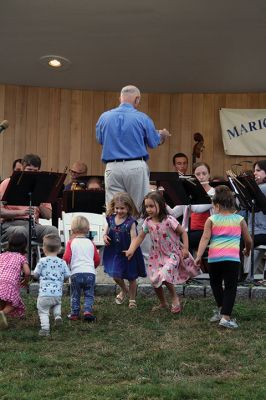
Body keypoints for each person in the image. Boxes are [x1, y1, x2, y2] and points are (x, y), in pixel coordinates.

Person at [96, 85, 171, 211]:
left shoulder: (104, 117)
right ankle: (137, 231)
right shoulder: (142, 118)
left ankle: (114, 231)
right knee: (139, 208)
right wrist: (162, 136)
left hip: (112, 168)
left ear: (120, 98)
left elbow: (100, 140)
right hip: (135, 166)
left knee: (114, 209)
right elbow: (153, 142)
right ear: (137, 99)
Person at [125, 191, 200, 313]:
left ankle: (175, 298)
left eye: (152, 206)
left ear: (161, 205)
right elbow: (140, 238)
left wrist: (185, 248)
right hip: (156, 256)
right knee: (155, 280)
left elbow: (183, 232)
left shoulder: (169, 220)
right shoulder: (147, 222)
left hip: (172, 254)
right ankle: (163, 303)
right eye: (147, 206)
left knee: (163, 275)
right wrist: (131, 250)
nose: (148, 209)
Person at [195, 185, 252, 329]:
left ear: (217, 205)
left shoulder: (211, 219)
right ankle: (225, 317)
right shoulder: (239, 219)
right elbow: (248, 240)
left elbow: (204, 238)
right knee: (230, 287)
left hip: (214, 259)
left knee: (215, 284)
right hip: (232, 260)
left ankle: (221, 310)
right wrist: (247, 250)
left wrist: (199, 256)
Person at [0, 153, 58, 244]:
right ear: (22, 169)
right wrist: (20, 212)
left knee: (52, 230)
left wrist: (38, 202)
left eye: (35, 171)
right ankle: (22, 258)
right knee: (21, 231)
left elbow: (48, 215)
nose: (32, 173)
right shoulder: (7, 183)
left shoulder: (41, 187)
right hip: (10, 225)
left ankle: (50, 259)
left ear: (39, 171)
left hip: (33, 225)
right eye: (29, 170)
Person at [103, 192, 146, 308]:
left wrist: (131, 250)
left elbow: (134, 238)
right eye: (117, 208)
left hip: (129, 252)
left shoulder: (130, 222)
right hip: (115, 252)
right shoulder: (110, 219)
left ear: (128, 208)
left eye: (122, 208)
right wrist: (104, 236)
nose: (119, 210)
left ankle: (132, 299)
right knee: (116, 275)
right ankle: (124, 289)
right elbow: (105, 230)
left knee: (131, 277)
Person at [63, 215, 100, 321]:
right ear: (88, 229)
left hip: (76, 273)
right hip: (90, 273)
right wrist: (93, 267)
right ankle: (87, 311)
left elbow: (66, 257)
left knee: (75, 293)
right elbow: (97, 259)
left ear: (72, 229)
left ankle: (74, 313)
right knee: (89, 294)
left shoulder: (71, 242)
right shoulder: (91, 243)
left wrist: (66, 268)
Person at [33, 234, 70, 336]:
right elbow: (67, 275)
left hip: (44, 293)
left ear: (43, 249)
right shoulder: (62, 262)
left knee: (43, 311)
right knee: (56, 303)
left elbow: (35, 274)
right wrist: (62, 280)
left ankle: (45, 329)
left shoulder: (42, 261)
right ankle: (57, 316)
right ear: (59, 249)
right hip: (57, 292)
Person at [0, 231, 30, 329]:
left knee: (2, 300)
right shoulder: (21, 257)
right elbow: (27, 272)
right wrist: (25, 281)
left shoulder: (2, 255)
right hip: (9, 283)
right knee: (14, 302)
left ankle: (2, 318)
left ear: (9, 243)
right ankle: (2, 313)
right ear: (24, 246)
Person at [243, 160, 266, 279]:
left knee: (240, 240)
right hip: (255, 231)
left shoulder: (262, 188)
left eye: (258, 170)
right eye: (254, 171)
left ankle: (241, 276)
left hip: (261, 232)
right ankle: (245, 276)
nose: (255, 173)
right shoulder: (256, 188)